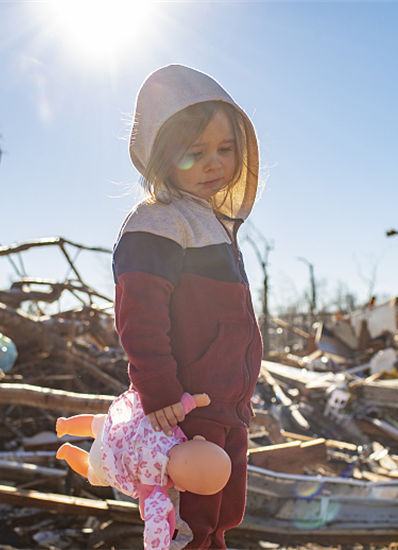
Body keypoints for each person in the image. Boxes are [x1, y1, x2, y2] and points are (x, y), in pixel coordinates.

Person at [112, 64, 263, 548]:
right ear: (162, 156)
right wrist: (159, 392)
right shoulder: (158, 222)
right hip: (183, 410)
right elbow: (140, 317)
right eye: (195, 153)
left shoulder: (213, 224)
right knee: (187, 523)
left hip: (225, 407)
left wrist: (240, 397)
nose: (214, 164)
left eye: (226, 149)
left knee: (222, 516)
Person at [55, 390, 231, 550]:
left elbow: (178, 409)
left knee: (96, 422)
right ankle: (68, 453)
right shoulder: (155, 483)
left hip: (115, 433)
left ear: (198, 440)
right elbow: (156, 520)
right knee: (92, 474)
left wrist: (194, 401)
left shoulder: (167, 430)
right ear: (182, 487)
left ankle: (66, 425)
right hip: (106, 464)